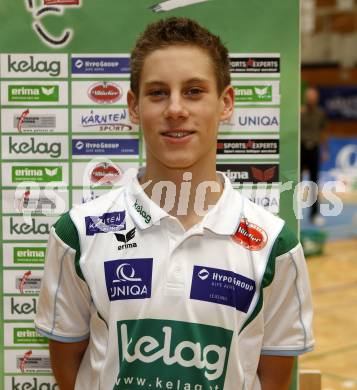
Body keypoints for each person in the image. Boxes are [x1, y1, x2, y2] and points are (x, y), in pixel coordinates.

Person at [35, 17, 314, 390]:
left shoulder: (275, 246)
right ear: (134, 107)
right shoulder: (78, 233)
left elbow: (273, 378)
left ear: (225, 103)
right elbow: (68, 364)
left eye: (195, 91)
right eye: (158, 93)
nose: (176, 109)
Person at [301, 86, 328, 225]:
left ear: (316, 99)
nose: (311, 99)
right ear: (306, 98)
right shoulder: (299, 111)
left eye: (313, 97)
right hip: (300, 149)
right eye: (309, 97)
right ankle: (293, 213)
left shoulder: (320, 113)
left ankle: (314, 215)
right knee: (294, 183)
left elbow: (323, 132)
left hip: (315, 149)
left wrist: (325, 150)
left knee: (314, 184)